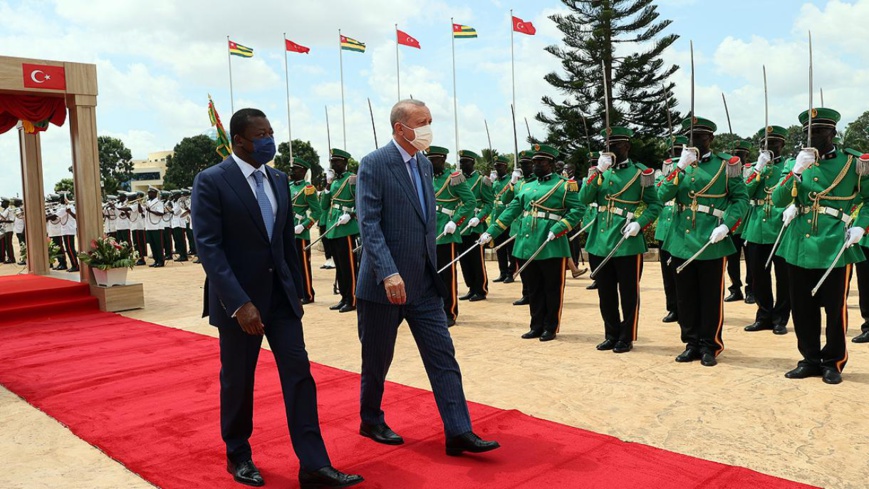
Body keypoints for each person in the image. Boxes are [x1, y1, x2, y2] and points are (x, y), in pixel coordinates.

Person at [192, 108, 362, 488]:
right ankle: (238, 455)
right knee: (239, 380)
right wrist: (239, 303)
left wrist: (296, 291)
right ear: (239, 140)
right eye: (261, 134)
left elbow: (285, 242)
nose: (269, 139)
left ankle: (314, 464)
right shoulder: (212, 181)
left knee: (300, 376)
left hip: (282, 301)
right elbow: (209, 248)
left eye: (271, 132)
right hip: (239, 305)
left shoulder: (280, 179)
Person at [355, 99, 499, 456]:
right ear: (400, 128)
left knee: (442, 356)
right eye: (422, 122)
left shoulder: (423, 164)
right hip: (384, 286)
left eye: (430, 121)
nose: (428, 129)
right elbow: (369, 223)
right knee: (377, 360)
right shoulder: (374, 164)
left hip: (423, 284)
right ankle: (371, 418)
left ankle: (458, 431)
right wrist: (388, 272)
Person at [773, 108, 869, 385]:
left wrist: (861, 225)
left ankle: (833, 361)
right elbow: (779, 199)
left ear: (832, 133)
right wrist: (795, 172)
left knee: (834, 308)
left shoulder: (854, 163)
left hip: (834, 244)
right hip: (798, 243)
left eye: (817, 131)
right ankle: (810, 358)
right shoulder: (799, 164)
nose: (811, 137)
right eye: (807, 132)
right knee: (802, 307)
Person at [657, 116, 748, 367]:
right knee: (685, 297)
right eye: (689, 137)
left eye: (699, 137)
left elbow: (740, 200)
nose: (693, 141)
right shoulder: (677, 165)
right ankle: (691, 342)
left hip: (711, 240)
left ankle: (710, 344)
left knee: (710, 297)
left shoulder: (726, 166)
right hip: (680, 239)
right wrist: (680, 168)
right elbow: (661, 194)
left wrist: (727, 226)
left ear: (711, 139)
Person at [481, 144, 584, 341]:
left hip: (550, 244)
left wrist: (560, 227)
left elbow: (578, 210)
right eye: (534, 162)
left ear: (552, 163)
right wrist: (491, 231)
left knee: (552, 288)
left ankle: (550, 327)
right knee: (533, 288)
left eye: (541, 162)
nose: (536, 165)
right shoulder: (525, 186)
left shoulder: (563, 185)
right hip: (527, 243)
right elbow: (511, 210)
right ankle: (536, 325)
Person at [580, 127, 662, 353]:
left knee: (628, 293)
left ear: (626, 146)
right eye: (607, 146)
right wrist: (597, 171)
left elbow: (655, 205)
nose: (610, 150)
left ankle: (626, 336)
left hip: (626, 241)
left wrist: (639, 222)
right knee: (605, 292)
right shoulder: (599, 173)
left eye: (615, 146)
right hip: (599, 240)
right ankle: (611, 334)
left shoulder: (641, 173)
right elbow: (583, 199)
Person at [742, 126, 791, 335]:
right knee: (758, 274)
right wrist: (757, 170)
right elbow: (744, 192)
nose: (768, 147)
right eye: (764, 144)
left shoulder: (790, 165)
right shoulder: (754, 167)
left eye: (773, 143)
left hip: (780, 226)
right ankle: (763, 315)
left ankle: (780, 318)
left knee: (784, 276)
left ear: (782, 145)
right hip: (756, 226)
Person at [429, 145, 476, 327]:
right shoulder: (426, 178)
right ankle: (433, 310)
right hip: (429, 230)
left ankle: (449, 311)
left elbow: (470, 201)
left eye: (433, 159)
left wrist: (455, 222)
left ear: (442, 160)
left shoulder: (454, 179)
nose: (430, 163)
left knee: (446, 274)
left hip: (445, 230)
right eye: (428, 159)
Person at [322, 149, 359, 313]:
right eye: (332, 162)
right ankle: (344, 297)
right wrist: (327, 186)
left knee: (349, 267)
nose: (334, 164)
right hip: (333, 228)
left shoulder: (352, 179)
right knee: (340, 267)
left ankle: (353, 298)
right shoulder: (333, 181)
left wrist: (351, 214)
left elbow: (361, 202)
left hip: (347, 227)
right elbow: (324, 205)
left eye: (337, 162)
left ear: (345, 162)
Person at [656, 136, 688, 323]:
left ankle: (683, 307)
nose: (674, 154)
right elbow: (658, 191)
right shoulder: (664, 171)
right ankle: (672, 307)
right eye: (672, 151)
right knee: (667, 274)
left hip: (679, 226)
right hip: (664, 228)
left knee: (681, 273)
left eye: (678, 150)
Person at [456, 150, 493, 302]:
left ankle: (481, 289)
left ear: (473, 163)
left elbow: (489, 204)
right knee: (464, 260)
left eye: (465, 162)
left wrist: (479, 218)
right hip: (460, 225)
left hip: (474, 225)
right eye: (461, 162)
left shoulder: (482, 180)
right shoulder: (457, 180)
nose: (462, 165)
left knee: (476, 260)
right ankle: (471, 287)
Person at [289, 157, 322, 304]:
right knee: (290, 265)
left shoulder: (308, 189)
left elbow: (317, 212)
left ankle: (308, 294)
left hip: (300, 232)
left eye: (294, 169)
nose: (291, 171)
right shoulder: (288, 186)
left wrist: (304, 225)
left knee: (303, 266)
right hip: (288, 231)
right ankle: (296, 293)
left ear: (302, 171)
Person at [725, 140, 754, 304]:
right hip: (733, 220)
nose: (737, 156)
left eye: (741, 154)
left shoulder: (753, 170)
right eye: (735, 153)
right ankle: (735, 288)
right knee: (732, 259)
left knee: (751, 260)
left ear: (747, 155)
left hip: (748, 220)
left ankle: (751, 290)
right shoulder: (727, 170)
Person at [510, 150, 536, 301]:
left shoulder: (535, 182)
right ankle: (526, 293)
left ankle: (532, 293)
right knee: (522, 261)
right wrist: (512, 183)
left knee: (532, 263)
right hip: (519, 226)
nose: (525, 167)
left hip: (532, 225)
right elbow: (507, 198)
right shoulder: (519, 183)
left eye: (527, 164)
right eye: (522, 165)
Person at [490, 155, 516, 283]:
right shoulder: (495, 182)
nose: (497, 168)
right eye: (495, 166)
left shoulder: (510, 181)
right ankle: (503, 272)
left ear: (505, 166)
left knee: (510, 247)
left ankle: (511, 273)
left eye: (499, 166)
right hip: (496, 217)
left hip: (508, 218)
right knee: (499, 247)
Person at [144, 187, 165, 267]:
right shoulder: (147, 202)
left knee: (158, 245)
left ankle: (161, 261)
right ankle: (156, 260)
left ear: (155, 193)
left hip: (157, 226)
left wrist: (150, 211)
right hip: (149, 226)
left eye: (151, 192)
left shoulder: (158, 202)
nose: (149, 194)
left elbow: (161, 213)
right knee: (152, 245)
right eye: (148, 192)